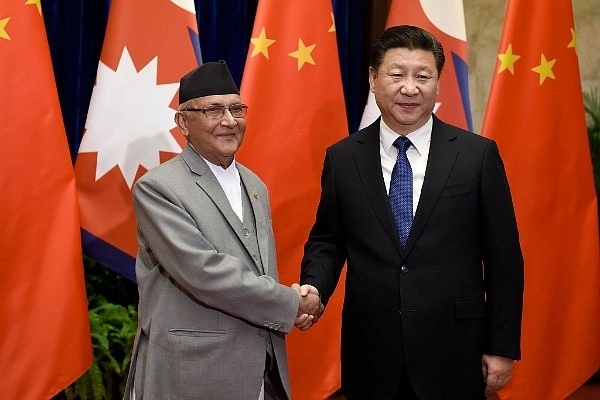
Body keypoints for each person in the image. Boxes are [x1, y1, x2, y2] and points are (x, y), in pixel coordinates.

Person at [299, 25, 524, 399]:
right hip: (371, 350)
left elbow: (504, 259)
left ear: (438, 82)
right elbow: (328, 239)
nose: (410, 88)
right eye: (397, 74)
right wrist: (315, 287)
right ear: (373, 78)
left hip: (455, 350)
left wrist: (501, 347)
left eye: (423, 76)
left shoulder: (476, 155)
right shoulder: (343, 157)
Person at [123, 61, 321, 400]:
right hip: (190, 373)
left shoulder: (255, 184)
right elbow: (203, 272)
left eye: (236, 108)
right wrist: (291, 303)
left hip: (259, 369)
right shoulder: (158, 187)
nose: (229, 121)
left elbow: (259, 270)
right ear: (183, 122)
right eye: (213, 110)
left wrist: (299, 298)